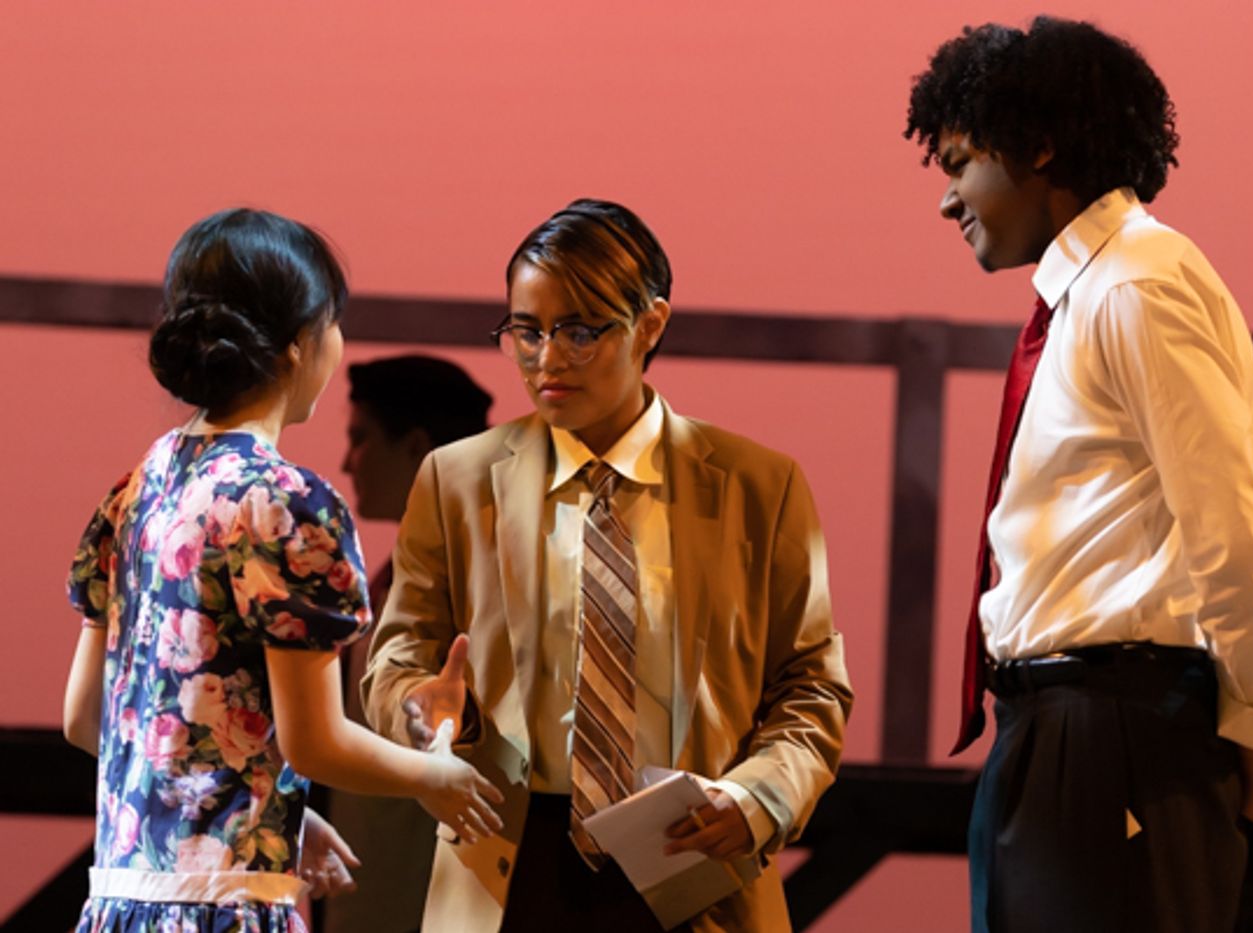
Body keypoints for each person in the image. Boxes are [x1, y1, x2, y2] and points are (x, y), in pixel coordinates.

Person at [904, 17, 1253, 932]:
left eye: (958, 162)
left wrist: (1249, 729)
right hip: (1060, 733)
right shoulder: (1093, 294)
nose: (948, 200)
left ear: (1041, 144)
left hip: (1110, 735)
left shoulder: (1137, 283)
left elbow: (1235, 535)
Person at [361, 198, 853, 932]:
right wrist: (414, 708)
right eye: (525, 331)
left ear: (651, 323)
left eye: (580, 330)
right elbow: (397, 656)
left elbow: (811, 686)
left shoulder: (759, 485)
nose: (548, 358)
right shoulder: (455, 479)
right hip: (505, 866)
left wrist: (757, 798)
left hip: (694, 865)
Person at [61, 208, 503, 933]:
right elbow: (315, 740)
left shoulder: (137, 488)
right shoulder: (287, 503)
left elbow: (88, 717)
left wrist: (279, 820)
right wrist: (437, 776)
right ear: (301, 343)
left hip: (118, 905)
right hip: (225, 914)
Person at [327, 355, 493, 933]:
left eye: (362, 439)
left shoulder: (480, 588)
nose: (349, 462)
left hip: (425, 899)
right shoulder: (392, 579)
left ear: (417, 446)